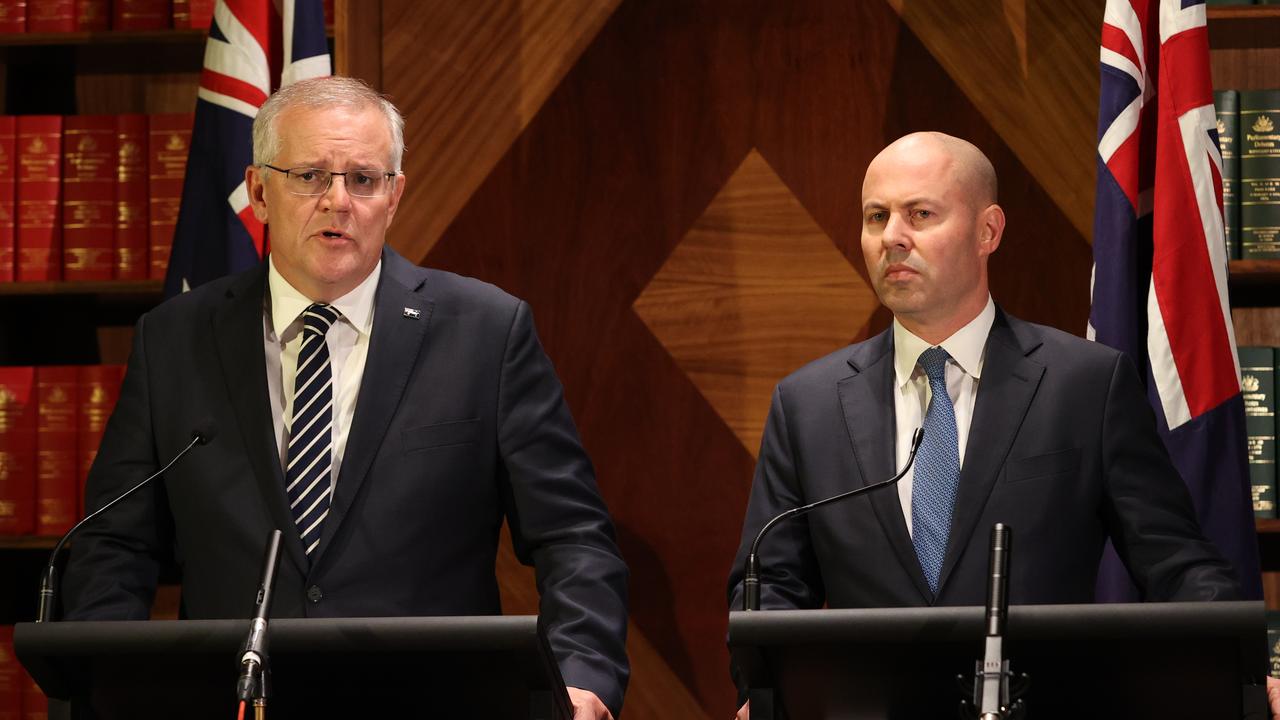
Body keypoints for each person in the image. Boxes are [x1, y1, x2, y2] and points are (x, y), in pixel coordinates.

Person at [64, 76, 628, 720]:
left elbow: (574, 535)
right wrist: (108, 684)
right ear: (257, 191)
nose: (337, 201)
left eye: (363, 180)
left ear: (395, 195)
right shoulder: (174, 339)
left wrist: (583, 677)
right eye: (309, 176)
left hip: (438, 703)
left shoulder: (486, 332)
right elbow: (113, 544)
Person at [726, 132, 1250, 718]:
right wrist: (763, 689)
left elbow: (1177, 563)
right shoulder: (808, 404)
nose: (892, 237)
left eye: (920, 214)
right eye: (877, 217)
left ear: (988, 231)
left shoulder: (1085, 386)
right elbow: (769, 583)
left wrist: (1247, 673)